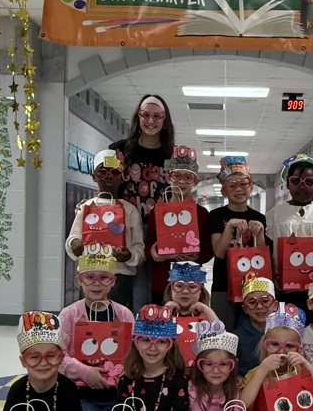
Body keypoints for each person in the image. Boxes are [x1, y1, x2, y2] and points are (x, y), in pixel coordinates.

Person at [58, 247, 134, 411]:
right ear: (80, 280)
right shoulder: (69, 315)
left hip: (118, 396)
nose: (96, 283)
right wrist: (85, 372)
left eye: (104, 278)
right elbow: (58, 356)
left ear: (112, 282)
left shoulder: (124, 315)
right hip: (84, 395)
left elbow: (134, 355)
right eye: (89, 277)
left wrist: (124, 372)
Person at [109, 94, 175, 308]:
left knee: (156, 281)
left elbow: (180, 192)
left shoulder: (172, 154)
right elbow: (107, 181)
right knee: (130, 281)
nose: (151, 121)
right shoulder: (118, 150)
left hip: (160, 229)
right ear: (138, 116)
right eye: (146, 115)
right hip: (126, 226)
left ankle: (154, 328)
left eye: (157, 116)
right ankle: (133, 328)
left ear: (165, 120)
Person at [264, 153, 313, 317]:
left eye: (309, 182)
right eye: (296, 181)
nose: (302, 186)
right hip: (283, 290)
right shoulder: (273, 216)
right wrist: (272, 277)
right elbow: (266, 251)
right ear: (287, 183)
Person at [64, 148, 144, 310]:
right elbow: (72, 239)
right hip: (90, 276)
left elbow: (139, 250)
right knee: (89, 323)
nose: (108, 177)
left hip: (120, 277)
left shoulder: (130, 211)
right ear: (94, 176)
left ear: (122, 176)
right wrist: (75, 245)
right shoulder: (86, 208)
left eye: (114, 172)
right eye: (102, 172)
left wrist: (128, 256)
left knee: (119, 324)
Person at [145, 145, 214, 303]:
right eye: (177, 176)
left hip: (191, 283)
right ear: (169, 178)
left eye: (188, 177)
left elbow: (208, 250)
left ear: (195, 181)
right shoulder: (157, 211)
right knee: (163, 323)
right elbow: (147, 245)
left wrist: (197, 256)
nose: (182, 182)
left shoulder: (202, 214)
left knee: (190, 322)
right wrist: (154, 252)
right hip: (163, 280)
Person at [208, 156, 269, 330]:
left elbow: (262, 254)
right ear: (224, 191)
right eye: (232, 186)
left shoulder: (259, 217)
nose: (239, 189)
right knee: (222, 329)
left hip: (253, 283)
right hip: (222, 283)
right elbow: (219, 252)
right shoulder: (216, 216)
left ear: (251, 187)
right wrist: (230, 228)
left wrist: (260, 233)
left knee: (251, 328)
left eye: (243, 184)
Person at [174, 321, 241, 411]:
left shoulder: (236, 387)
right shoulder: (193, 388)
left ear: (232, 366)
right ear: (200, 366)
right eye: (208, 364)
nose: (216, 371)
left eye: (223, 364)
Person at [235, 272, 278, 377]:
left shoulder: (285, 333)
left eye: (265, 301)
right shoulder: (236, 337)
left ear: (275, 305)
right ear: (245, 309)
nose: (259, 306)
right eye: (252, 302)